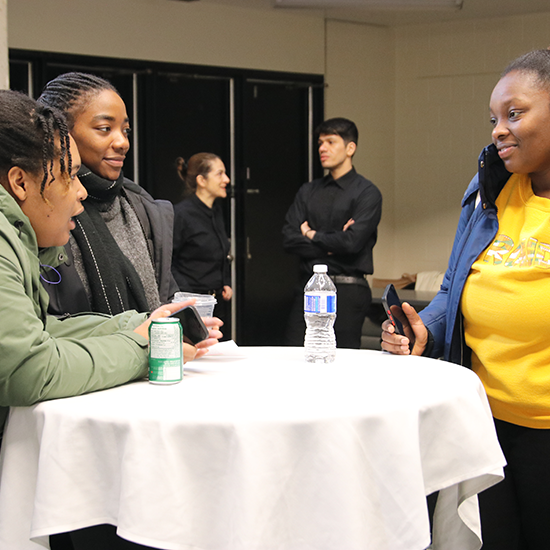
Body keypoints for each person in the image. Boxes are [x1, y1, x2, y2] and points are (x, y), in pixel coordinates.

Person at [381, 49, 550, 549]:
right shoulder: (490, 188)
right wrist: (425, 327)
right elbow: (456, 286)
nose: (499, 129)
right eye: (494, 118)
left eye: (515, 114)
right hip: (485, 423)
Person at [37, 72, 179, 316]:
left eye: (125, 130)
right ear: (62, 135)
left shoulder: (142, 209)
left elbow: (164, 299)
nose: (122, 142)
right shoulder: (41, 211)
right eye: (104, 128)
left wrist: (185, 324)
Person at [282, 117, 382, 349]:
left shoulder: (367, 193)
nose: (322, 148)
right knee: (294, 354)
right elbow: (289, 239)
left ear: (350, 148)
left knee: (342, 362)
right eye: (320, 143)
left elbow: (352, 243)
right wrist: (334, 241)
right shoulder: (308, 191)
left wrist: (312, 234)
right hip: (308, 289)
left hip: (347, 290)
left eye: (330, 142)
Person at [171, 154, 233, 333]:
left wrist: (225, 281)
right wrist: (188, 296)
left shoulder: (216, 211)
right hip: (192, 306)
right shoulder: (182, 214)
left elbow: (220, 251)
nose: (226, 180)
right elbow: (168, 262)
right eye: (220, 174)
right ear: (202, 180)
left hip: (216, 302)